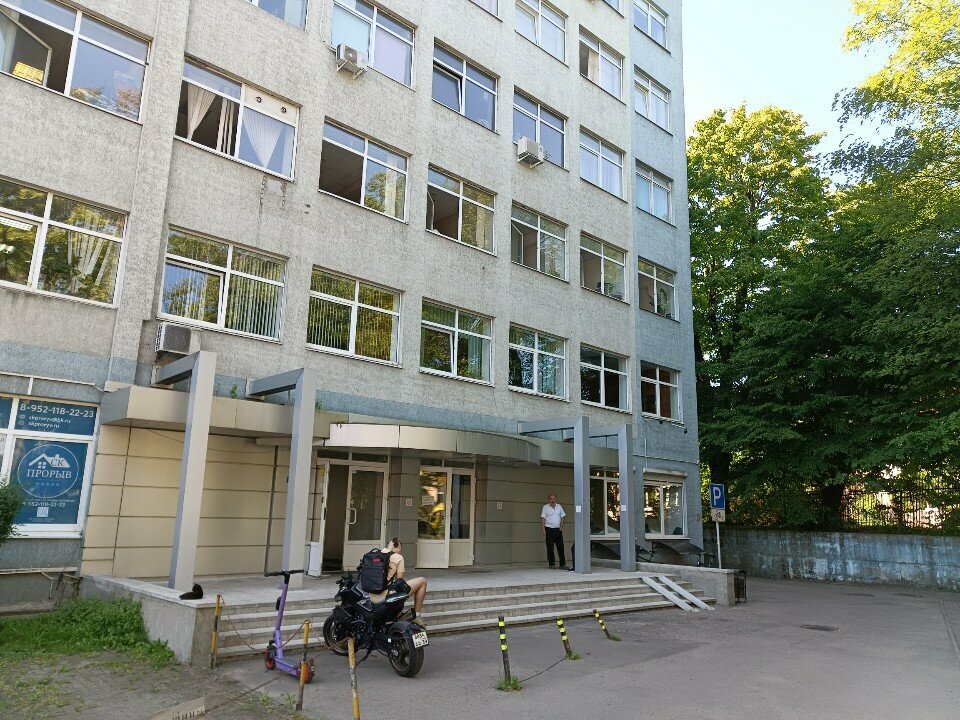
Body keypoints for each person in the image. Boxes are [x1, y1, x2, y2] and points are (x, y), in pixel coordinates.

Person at [368, 538, 428, 626]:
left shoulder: (374, 555)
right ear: (396, 548)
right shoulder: (398, 557)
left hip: (372, 596)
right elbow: (400, 582)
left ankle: (398, 614)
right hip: (385, 596)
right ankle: (417, 615)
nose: (399, 551)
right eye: (399, 549)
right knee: (422, 581)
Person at [540, 494, 567, 569]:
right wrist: (543, 530)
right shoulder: (545, 507)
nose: (552, 500)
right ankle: (551, 564)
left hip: (558, 530)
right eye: (551, 499)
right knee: (550, 547)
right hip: (549, 530)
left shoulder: (559, 507)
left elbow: (562, 517)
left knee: (561, 547)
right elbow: (542, 519)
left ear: (556, 499)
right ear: (549, 500)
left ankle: (562, 564)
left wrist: (561, 527)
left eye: (554, 499)